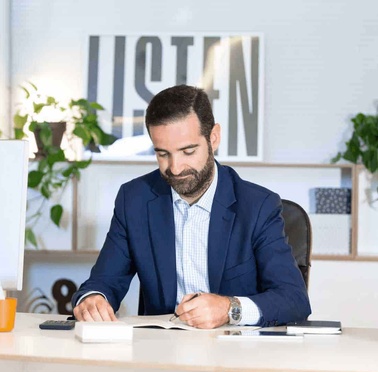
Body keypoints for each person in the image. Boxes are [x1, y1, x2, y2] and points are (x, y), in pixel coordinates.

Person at [71, 84, 311, 328]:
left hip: (235, 351)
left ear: (213, 138)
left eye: (188, 151)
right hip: (162, 353)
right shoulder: (134, 200)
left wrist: (230, 308)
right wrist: (93, 299)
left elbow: (295, 300)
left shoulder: (258, 206)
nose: (175, 168)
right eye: (163, 154)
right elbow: (102, 282)